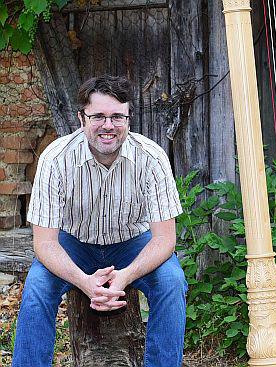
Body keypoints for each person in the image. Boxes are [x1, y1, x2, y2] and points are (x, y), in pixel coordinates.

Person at [12, 75, 187, 367]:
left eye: (117, 116)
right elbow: (44, 243)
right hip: (72, 244)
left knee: (172, 281)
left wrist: (126, 275)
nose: (108, 125)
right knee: (37, 287)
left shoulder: (152, 158)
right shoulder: (55, 159)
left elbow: (164, 239)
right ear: (82, 118)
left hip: (133, 242)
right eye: (98, 116)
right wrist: (85, 283)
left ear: (129, 118)